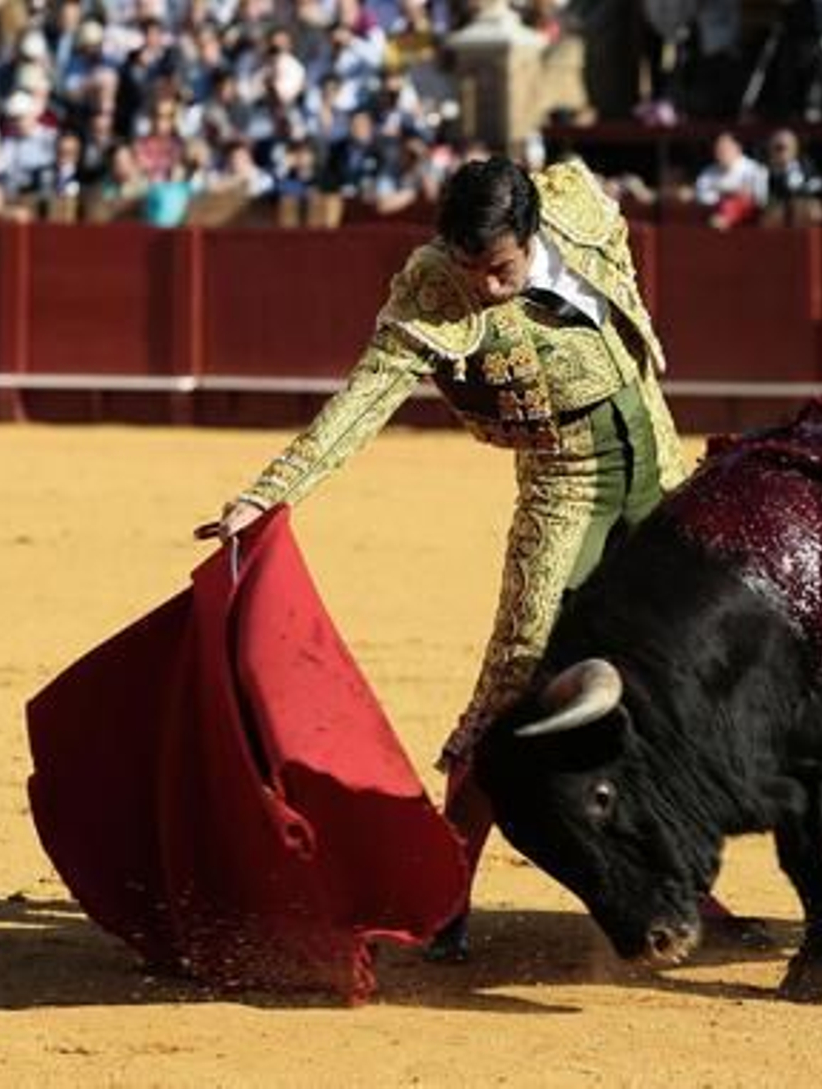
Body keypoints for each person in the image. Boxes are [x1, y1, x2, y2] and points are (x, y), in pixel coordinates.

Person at [204, 156, 690, 961]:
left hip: (665, 464)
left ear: (531, 233)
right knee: (514, 684)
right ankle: (446, 891)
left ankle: (685, 872)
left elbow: (601, 205)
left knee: (696, 666)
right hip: (568, 490)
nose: (488, 289)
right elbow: (366, 396)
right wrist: (270, 491)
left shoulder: (573, 204)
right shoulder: (436, 285)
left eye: (498, 268)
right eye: (472, 270)